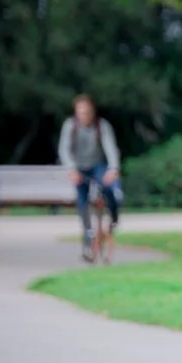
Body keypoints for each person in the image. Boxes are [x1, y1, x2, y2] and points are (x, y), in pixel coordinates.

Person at [58, 95, 122, 260]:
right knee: (82, 202)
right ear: (76, 112)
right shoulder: (70, 126)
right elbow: (64, 149)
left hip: (97, 165)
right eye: (81, 112)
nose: (84, 115)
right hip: (79, 167)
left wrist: (113, 168)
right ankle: (88, 240)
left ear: (93, 111)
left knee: (108, 187)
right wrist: (71, 169)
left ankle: (113, 215)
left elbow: (110, 147)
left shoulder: (102, 126)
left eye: (87, 112)